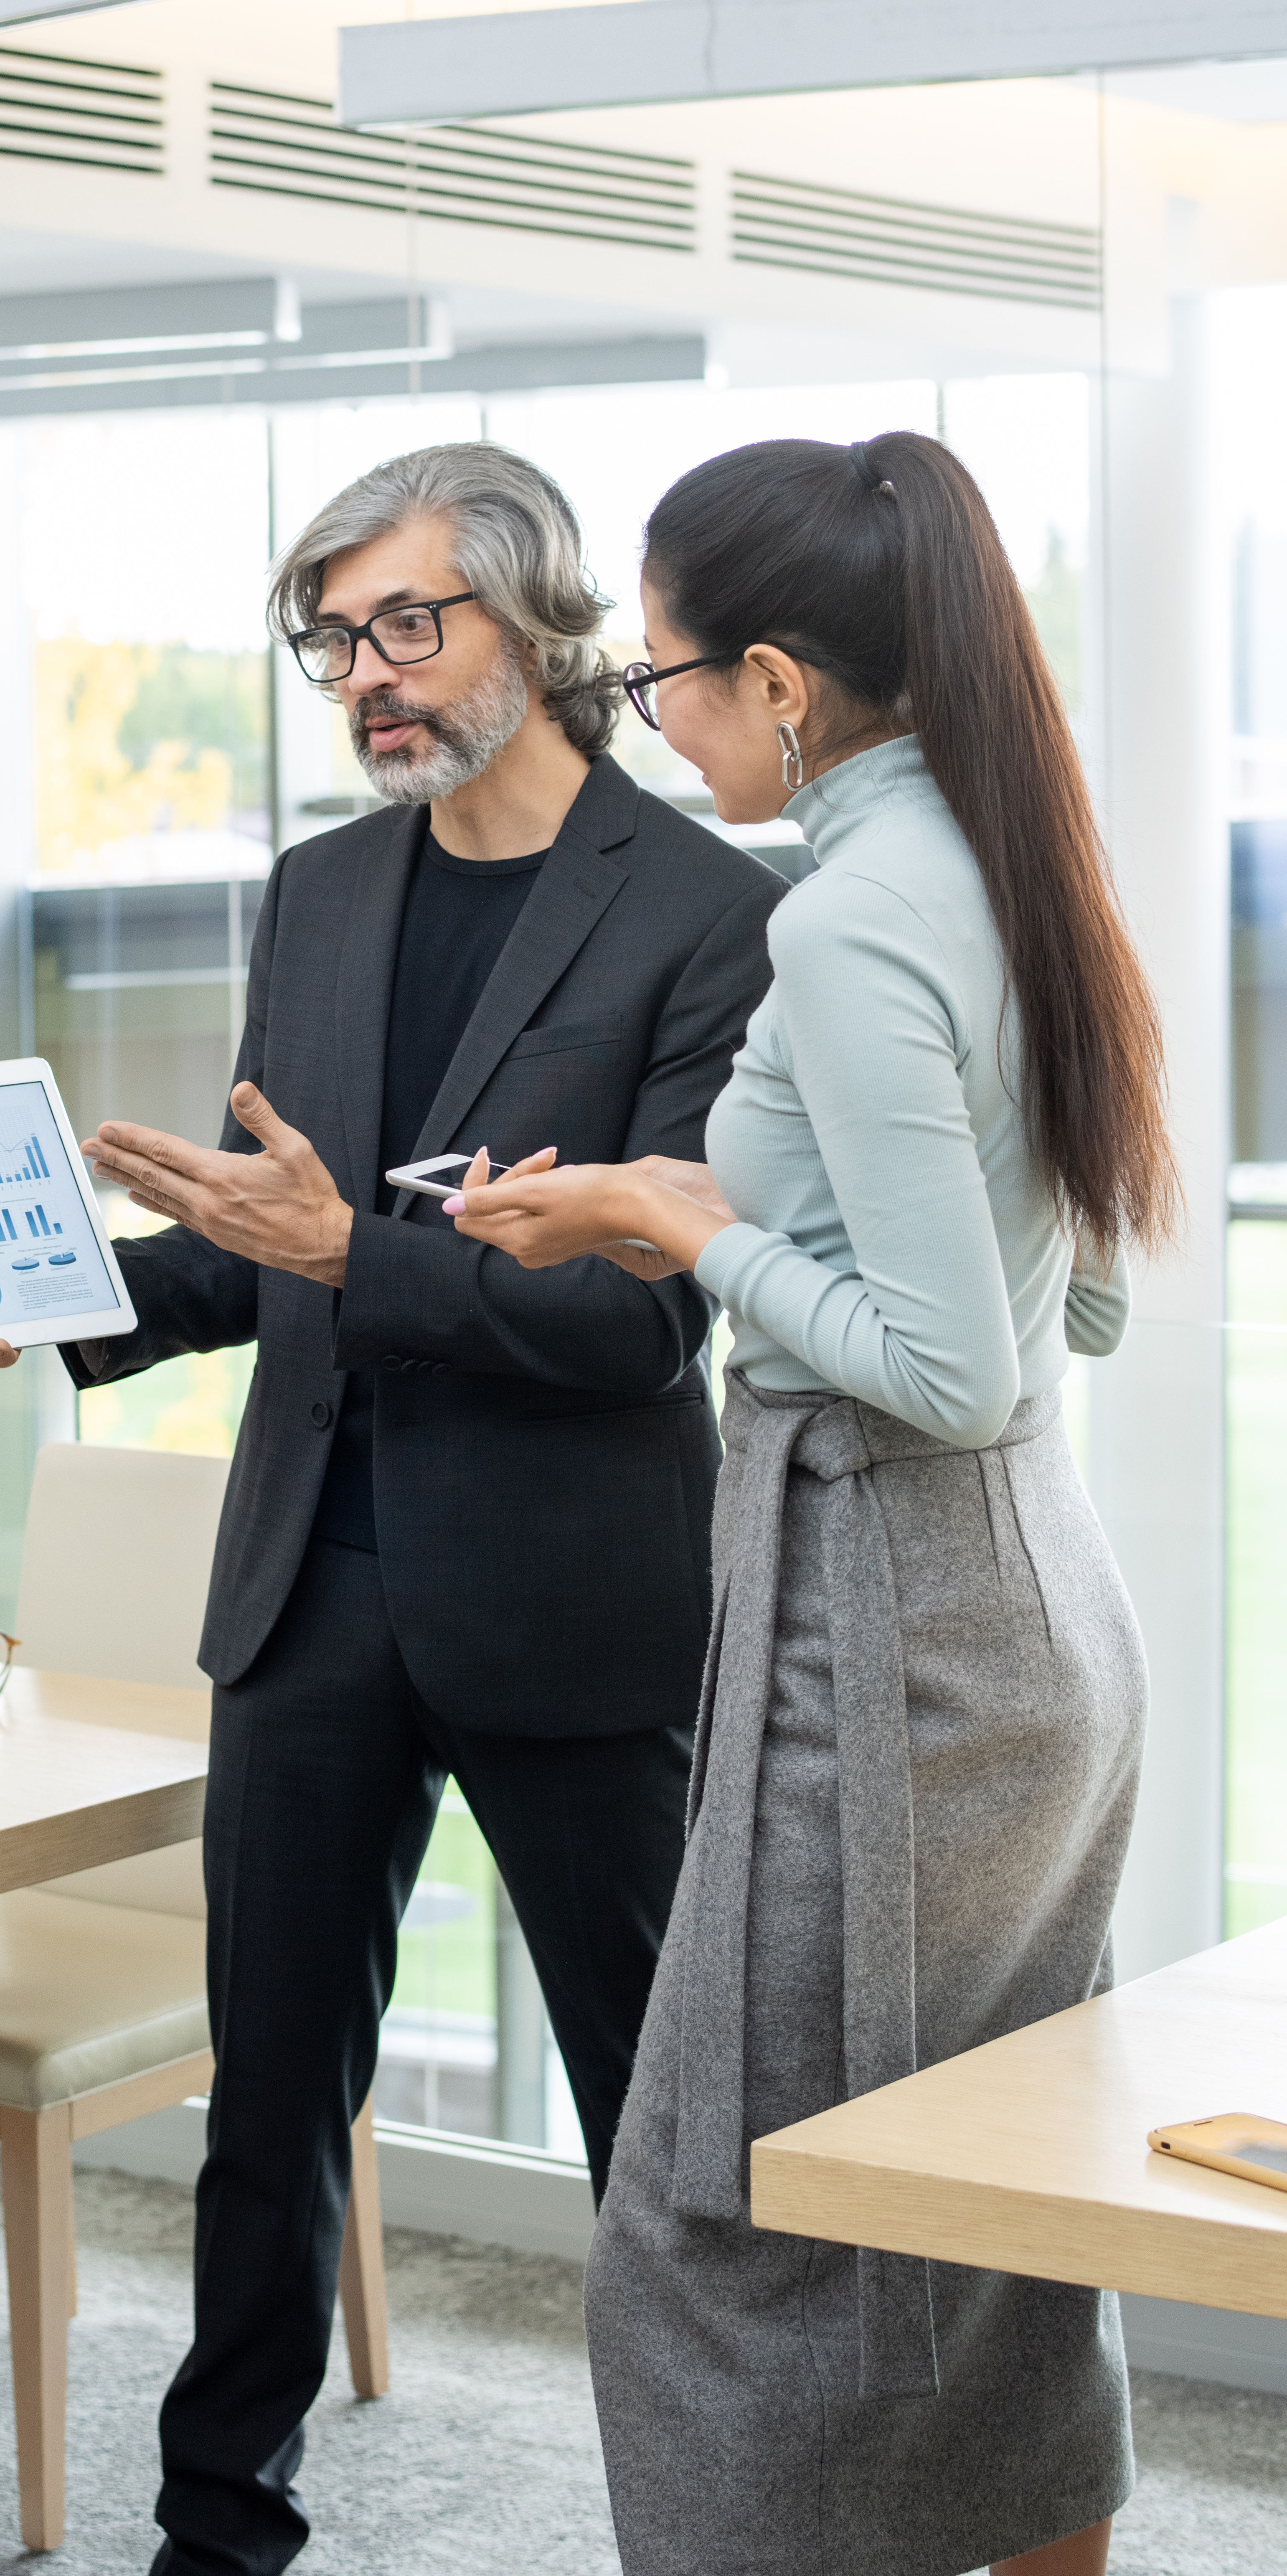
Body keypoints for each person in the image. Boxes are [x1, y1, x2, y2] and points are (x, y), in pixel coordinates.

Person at [0, 440, 783, 2576]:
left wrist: (332, 1254)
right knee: (267, 2112)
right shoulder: (318, 890)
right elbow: (273, 1241)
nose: (366, 675)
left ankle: (747, 2523)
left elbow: (644, 1327)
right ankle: (218, 2538)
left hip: (567, 1604)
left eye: (406, 625)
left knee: (657, 2130)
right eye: (332, 639)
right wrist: (65, 1298)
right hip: (309, 1588)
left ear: (534, 624)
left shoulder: (711, 915)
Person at [449, 431, 1176, 2576]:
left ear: (775, 682)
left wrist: (688, 1230)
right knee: (990, 2203)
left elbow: (947, 1372)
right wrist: (696, 1209)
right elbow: (1079, 1305)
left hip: (892, 1626)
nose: (652, 725)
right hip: (1034, 1611)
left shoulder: (852, 918)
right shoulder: (1009, 854)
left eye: (659, 678)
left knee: (707, 2240)